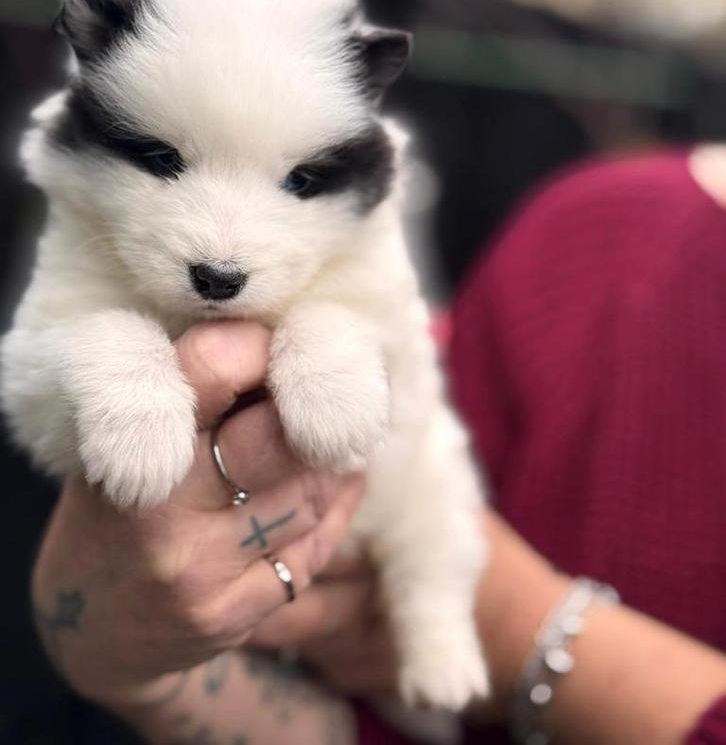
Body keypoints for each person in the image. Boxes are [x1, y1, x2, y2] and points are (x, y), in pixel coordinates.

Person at [32, 147, 726, 743]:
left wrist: (521, 627)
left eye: (295, 181)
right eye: (165, 164)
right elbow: (363, 719)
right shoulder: (591, 229)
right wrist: (129, 670)